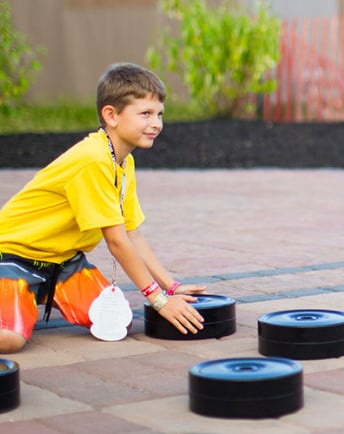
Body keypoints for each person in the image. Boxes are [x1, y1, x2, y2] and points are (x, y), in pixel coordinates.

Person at [0, 63, 205, 353]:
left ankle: (37, 295)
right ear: (111, 115)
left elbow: (132, 233)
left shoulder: (123, 161)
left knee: (116, 323)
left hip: (63, 264)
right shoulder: (93, 159)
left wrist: (170, 287)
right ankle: (18, 296)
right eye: (145, 113)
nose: (156, 123)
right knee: (10, 339)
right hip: (13, 257)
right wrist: (158, 300)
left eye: (159, 114)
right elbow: (117, 242)